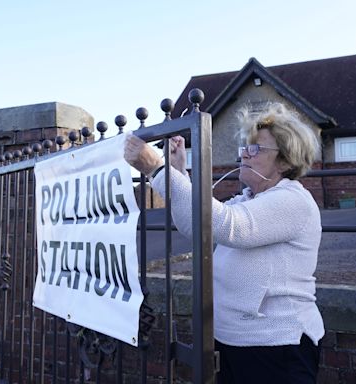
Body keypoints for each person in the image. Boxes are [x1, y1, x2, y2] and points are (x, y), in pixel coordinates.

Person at [124, 102, 324, 383]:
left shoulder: (293, 200)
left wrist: (157, 170)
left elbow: (231, 226)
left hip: (278, 348)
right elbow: (195, 225)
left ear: (286, 161)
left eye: (255, 149)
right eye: (245, 147)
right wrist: (178, 172)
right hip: (233, 342)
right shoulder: (248, 199)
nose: (244, 154)